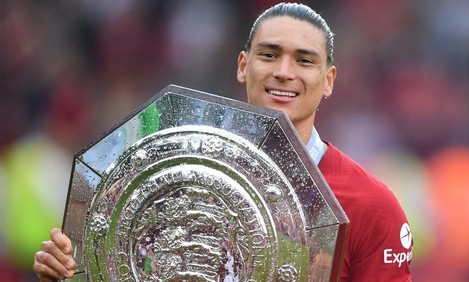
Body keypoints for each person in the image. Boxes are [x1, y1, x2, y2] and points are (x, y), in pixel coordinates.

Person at [33, 2, 413, 281]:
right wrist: (71, 275)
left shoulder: (370, 205)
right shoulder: (168, 179)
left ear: (329, 80)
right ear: (243, 65)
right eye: (269, 55)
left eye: (304, 60)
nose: (283, 72)